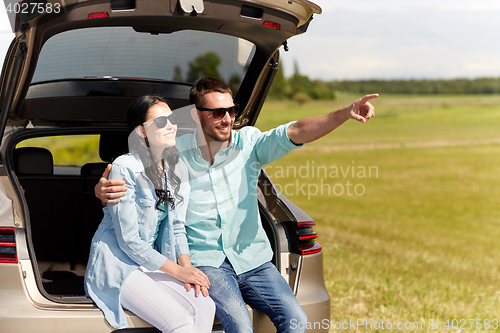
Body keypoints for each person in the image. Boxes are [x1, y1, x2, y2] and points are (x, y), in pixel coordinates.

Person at [96, 77, 377, 333]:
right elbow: (138, 173)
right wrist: (101, 190)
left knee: (297, 320)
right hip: (207, 261)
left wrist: (344, 113)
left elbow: (296, 131)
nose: (227, 118)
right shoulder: (174, 151)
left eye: (232, 110)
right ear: (197, 115)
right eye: (218, 113)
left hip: (252, 258)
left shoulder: (250, 143)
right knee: (241, 326)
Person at [85, 95, 215, 332]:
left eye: (172, 118)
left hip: (154, 262)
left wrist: (188, 270)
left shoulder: (177, 167)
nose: (170, 125)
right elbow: (128, 241)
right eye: (161, 121)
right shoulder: (124, 167)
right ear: (142, 131)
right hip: (120, 263)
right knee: (180, 323)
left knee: (205, 306)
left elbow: (177, 228)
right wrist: (177, 271)